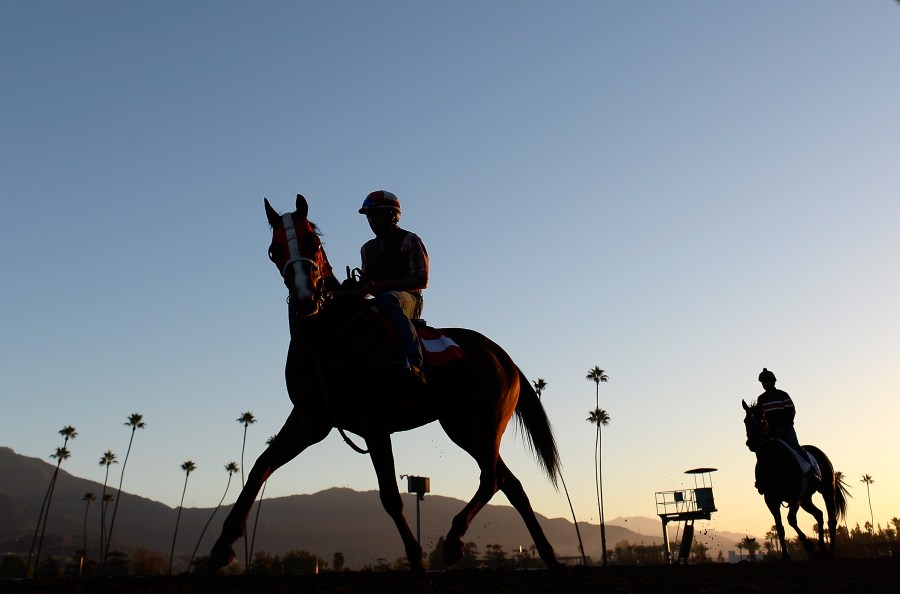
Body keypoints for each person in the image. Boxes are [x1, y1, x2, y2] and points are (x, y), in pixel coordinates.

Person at [358, 190, 429, 384]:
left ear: (392, 215)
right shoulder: (367, 249)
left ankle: (414, 363)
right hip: (381, 301)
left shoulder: (410, 240)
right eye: (369, 216)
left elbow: (421, 279)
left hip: (410, 300)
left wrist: (381, 286)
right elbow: (367, 286)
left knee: (388, 298)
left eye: (377, 214)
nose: (372, 220)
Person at [756, 368, 819, 486]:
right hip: (770, 432)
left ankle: (812, 472)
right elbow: (760, 417)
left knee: (796, 447)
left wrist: (785, 425)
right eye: (763, 382)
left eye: (766, 381)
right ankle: (761, 479)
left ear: (772, 382)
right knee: (762, 452)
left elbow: (791, 411)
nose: (765, 384)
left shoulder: (782, 395)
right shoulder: (761, 399)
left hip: (786, 429)